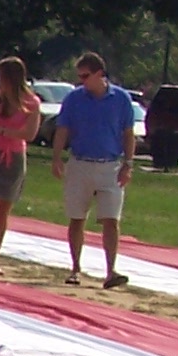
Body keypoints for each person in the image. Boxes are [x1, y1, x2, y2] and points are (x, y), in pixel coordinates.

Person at [50, 50, 138, 288]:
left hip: (110, 166)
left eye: (85, 76)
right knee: (77, 217)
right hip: (80, 163)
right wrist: (56, 157)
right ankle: (75, 269)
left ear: (100, 74)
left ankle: (111, 271)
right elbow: (63, 129)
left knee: (111, 219)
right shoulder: (74, 99)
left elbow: (128, 133)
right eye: (79, 76)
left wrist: (128, 164)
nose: (82, 81)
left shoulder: (121, 99)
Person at [0, 56, 41, 275]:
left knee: (3, 210)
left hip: (14, 157)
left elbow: (29, 134)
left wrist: (3, 131)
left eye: (1, 75)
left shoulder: (31, 102)